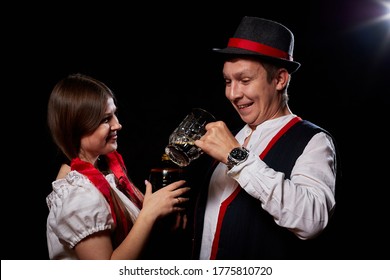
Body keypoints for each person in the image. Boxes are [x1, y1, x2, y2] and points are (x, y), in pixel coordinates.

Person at [192, 16, 340, 259]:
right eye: (228, 81)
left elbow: (312, 220)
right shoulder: (235, 134)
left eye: (245, 80)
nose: (232, 94)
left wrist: (236, 157)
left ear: (280, 79)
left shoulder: (313, 140)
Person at [46, 73, 190, 259]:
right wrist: (149, 214)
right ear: (77, 127)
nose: (118, 125)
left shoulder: (104, 175)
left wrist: (161, 222)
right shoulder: (79, 194)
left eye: (114, 114)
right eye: (106, 119)